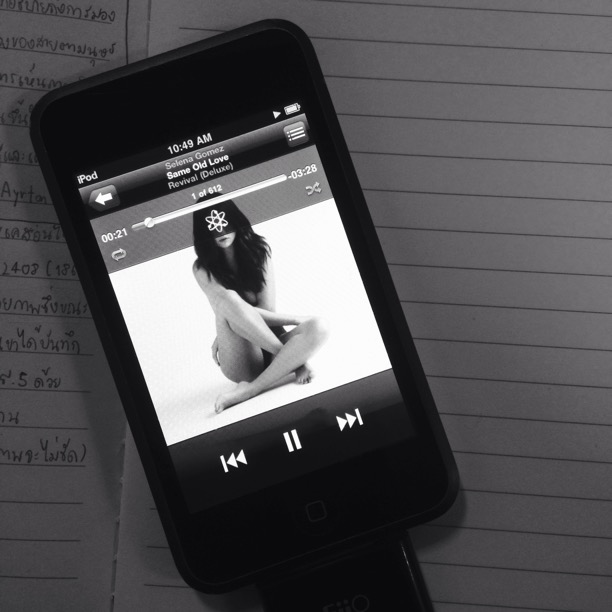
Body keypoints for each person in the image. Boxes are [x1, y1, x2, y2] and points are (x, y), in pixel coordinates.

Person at [192, 199, 329, 413]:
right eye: (211, 226)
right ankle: (293, 362)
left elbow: (267, 310)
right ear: (204, 232)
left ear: (235, 220)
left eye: (224, 221)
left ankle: (250, 389)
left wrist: (236, 316)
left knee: (320, 327)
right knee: (228, 299)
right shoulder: (202, 269)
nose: (220, 230)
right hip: (241, 358)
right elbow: (226, 306)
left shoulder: (259, 251)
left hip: (270, 341)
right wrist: (294, 319)